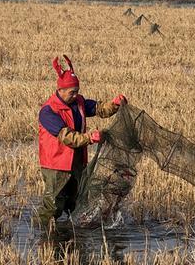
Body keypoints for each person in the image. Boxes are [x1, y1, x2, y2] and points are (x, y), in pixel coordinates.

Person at [37, 55, 127, 227]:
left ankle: (72, 238)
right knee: (53, 205)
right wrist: (89, 138)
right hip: (56, 164)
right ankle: (43, 235)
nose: (76, 94)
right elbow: (67, 137)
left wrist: (114, 104)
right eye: (72, 92)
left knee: (76, 201)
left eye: (77, 90)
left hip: (77, 162)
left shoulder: (78, 102)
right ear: (60, 90)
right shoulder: (48, 111)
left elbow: (99, 108)